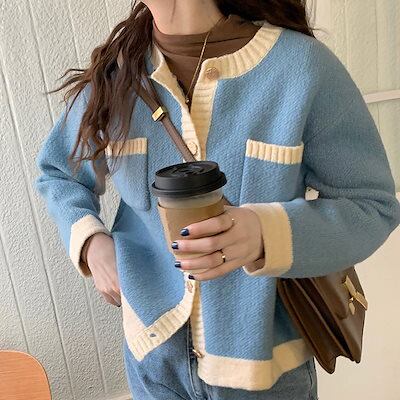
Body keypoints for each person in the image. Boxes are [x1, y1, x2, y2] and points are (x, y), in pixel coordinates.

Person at [34, 1, 400, 399]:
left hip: (265, 369)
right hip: (152, 362)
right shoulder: (117, 76)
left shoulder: (302, 68)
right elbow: (59, 173)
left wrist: (264, 233)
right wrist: (91, 244)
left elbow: (371, 205)